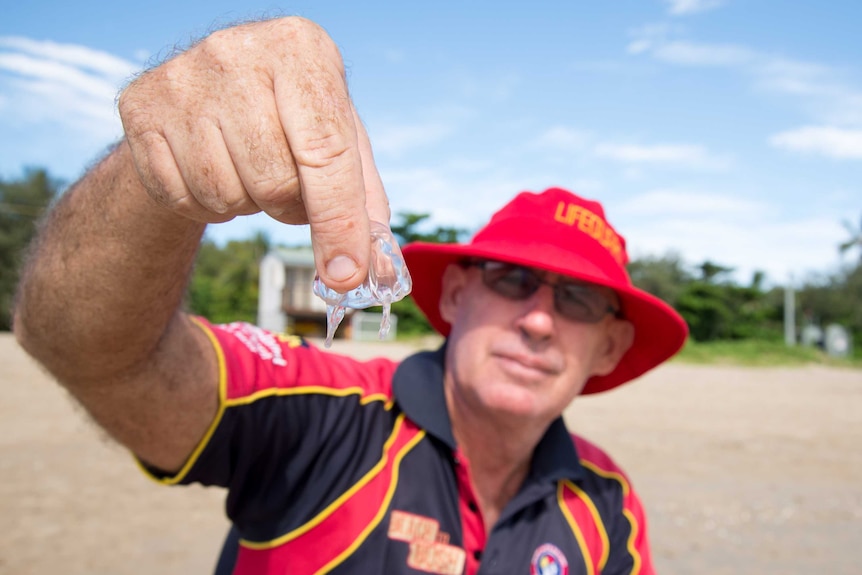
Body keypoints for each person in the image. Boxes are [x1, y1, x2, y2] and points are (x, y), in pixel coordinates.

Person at [13, 16, 688, 575]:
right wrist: (152, 181)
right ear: (454, 295)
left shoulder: (607, 505)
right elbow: (98, 356)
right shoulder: (326, 417)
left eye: (577, 300)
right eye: (512, 281)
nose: (539, 318)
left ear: (609, 345)